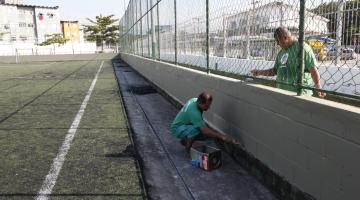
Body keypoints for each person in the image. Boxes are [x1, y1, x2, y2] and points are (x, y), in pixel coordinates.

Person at [250, 27, 326, 97]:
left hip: (299, 94)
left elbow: (312, 68)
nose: (277, 44)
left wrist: (318, 85)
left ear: (285, 38)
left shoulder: (302, 48)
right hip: (281, 93)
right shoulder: (281, 52)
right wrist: (259, 72)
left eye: (278, 41)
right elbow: (274, 71)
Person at [170, 91, 235, 149]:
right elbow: (205, 131)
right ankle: (188, 148)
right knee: (197, 131)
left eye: (209, 105)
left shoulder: (194, 100)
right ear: (200, 103)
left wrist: (217, 135)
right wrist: (222, 136)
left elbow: (204, 128)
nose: (209, 107)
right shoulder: (194, 113)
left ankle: (186, 139)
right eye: (207, 105)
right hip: (177, 129)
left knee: (208, 134)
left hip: (185, 125)